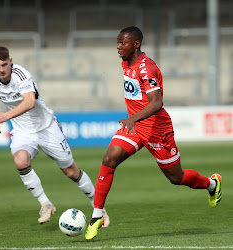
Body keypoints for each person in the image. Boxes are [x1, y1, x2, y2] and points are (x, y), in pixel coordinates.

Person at [85, 26, 222, 240]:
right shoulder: (126, 62)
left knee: (176, 177)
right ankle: (97, 215)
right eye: (118, 43)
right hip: (136, 128)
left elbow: (157, 102)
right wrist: (133, 121)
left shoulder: (145, 69)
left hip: (157, 129)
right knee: (109, 159)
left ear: (136, 44)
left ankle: (212, 184)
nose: (118, 47)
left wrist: (132, 117)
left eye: (123, 43)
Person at [0, 46, 110, 225]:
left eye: (5, 65)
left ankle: (98, 208)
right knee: (20, 161)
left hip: (47, 128)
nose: (2, 70)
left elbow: (29, 101)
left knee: (71, 172)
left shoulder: (21, 75)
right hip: (23, 132)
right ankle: (45, 204)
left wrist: (5, 116)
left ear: (10, 61)